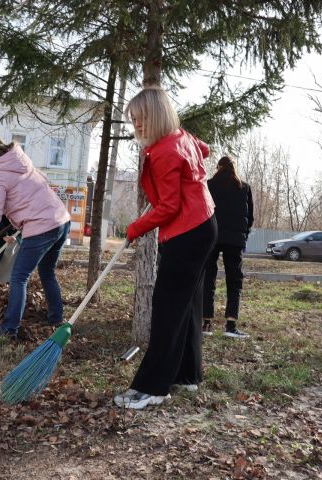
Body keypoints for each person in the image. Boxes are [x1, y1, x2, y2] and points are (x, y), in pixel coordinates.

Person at [114, 87, 217, 410]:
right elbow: (205, 149)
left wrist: (135, 228)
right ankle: (187, 375)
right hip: (204, 225)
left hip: (187, 231)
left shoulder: (164, 151)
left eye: (142, 119)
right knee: (185, 305)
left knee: (167, 309)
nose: (137, 126)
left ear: (156, 116)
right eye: (133, 120)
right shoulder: (179, 137)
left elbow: (170, 206)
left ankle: (153, 387)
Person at [0, 138, 71, 339]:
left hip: (41, 226)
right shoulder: (23, 163)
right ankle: (56, 317)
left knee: (18, 277)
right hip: (61, 220)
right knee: (47, 272)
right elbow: (38, 190)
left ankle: (9, 330)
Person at [203, 156, 254, 339]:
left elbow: (203, 211)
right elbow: (251, 217)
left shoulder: (209, 185)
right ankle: (230, 326)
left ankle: (206, 323)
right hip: (235, 240)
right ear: (234, 168)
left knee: (208, 278)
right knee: (234, 281)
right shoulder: (244, 187)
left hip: (212, 237)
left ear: (219, 167)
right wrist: (244, 235)